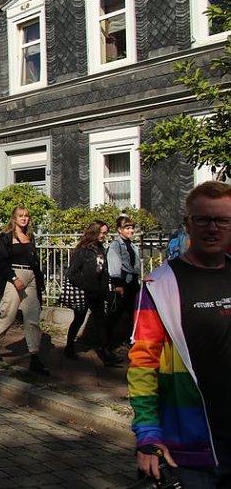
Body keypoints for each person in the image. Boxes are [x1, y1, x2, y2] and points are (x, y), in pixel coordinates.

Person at [128, 181, 231, 487]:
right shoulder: (159, 286)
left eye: (223, 220)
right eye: (203, 219)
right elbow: (142, 363)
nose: (212, 228)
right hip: (191, 448)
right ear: (188, 224)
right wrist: (147, 433)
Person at [0, 205, 49, 376]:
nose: (24, 219)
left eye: (26, 216)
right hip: (15, 275)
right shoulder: (7, 237)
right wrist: (13, 278)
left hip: (31, 277)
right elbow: (2, 262)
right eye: (20, 216)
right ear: (14, 218)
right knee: (8, 313)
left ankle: (34, 356)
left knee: (33, 317)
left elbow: (34, 261)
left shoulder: (30, 237)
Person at [62, 221, 123, 366]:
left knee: (101, 322)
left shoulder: (101, 249)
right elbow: (72, 273)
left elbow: (104, 272)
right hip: (84, 293)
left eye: (105, 233)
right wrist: (86, 285)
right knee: (79, 319)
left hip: (98, 293)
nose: (104, 236)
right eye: (102, 233)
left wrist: (107, 291)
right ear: (94, 232)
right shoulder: (82, 250)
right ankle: (69, 346)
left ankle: (105, 351)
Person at [107, 214, 141, 348]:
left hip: (132, 283)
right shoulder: (116, 245)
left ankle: (130, 340)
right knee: (115, 314)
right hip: (122, 283)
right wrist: (118, 284)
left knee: (132, 312)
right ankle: (107, 343)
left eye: (132, 228)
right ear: (119, 230)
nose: (130, 231)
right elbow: (114, 265)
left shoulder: (132, 245)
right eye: (127, 228)